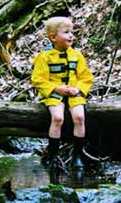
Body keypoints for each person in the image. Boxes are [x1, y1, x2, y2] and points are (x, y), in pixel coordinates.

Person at [31, 16, 94, 171]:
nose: (71, 35)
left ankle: (77, 156)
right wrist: (55, 88)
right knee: (58, 118)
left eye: (72, 32)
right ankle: (53, 156)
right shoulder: (45, 57)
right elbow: (38, 79)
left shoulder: (77, 55)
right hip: (53, 92)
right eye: (66, 32)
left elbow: (86, 77)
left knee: (79, 117)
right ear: (53, 37)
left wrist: (78, 88)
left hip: (73, 92)